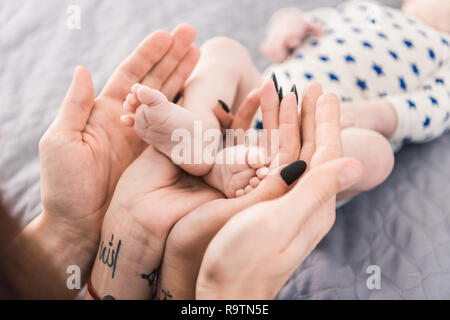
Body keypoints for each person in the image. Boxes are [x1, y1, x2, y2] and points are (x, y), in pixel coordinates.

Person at [119, 0, 449, 203]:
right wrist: (286, 26)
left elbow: (434, 107)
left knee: (375, 155)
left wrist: (379, 115)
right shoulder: (364, 9)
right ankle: (198, 130)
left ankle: (251, 169)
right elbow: (302, 22)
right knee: (223, 49)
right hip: (264, 95)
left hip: (318, 138)